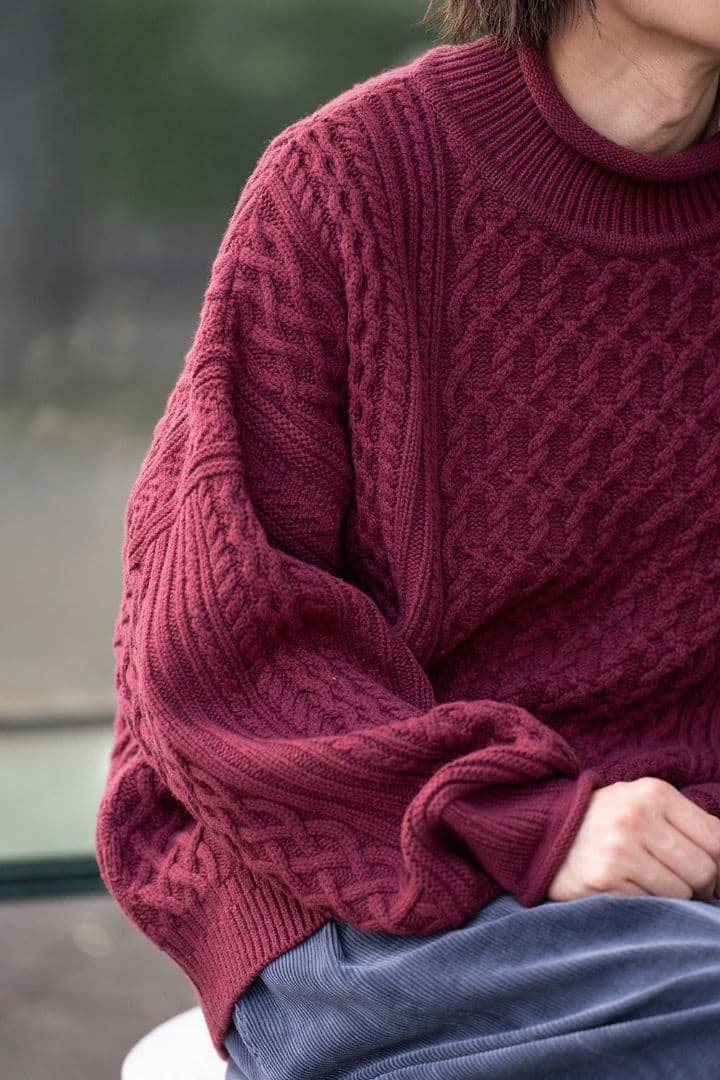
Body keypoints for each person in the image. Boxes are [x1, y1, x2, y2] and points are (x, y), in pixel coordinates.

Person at [95, 1, 720, 1077]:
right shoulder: (352, 180)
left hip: (682, 892)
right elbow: (219, 648)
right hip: (370, 883)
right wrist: (531, 822)